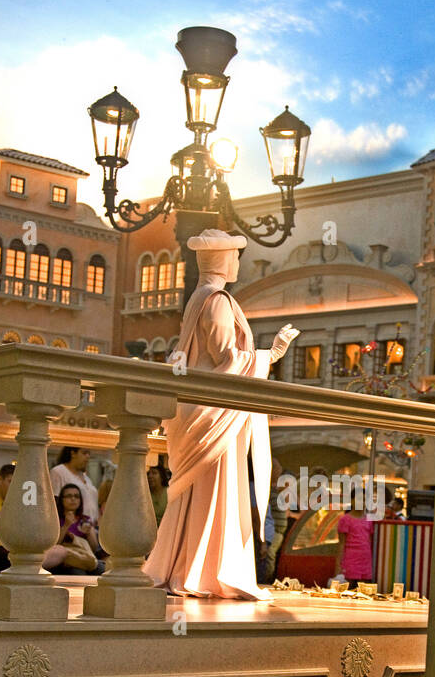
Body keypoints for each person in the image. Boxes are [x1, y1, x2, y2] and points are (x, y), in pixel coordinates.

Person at [143, 228, 298, 600]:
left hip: (201, 412)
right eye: (235, 255)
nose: (238, 262)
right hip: (211, 415)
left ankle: (192, 566)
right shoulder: (217, 301)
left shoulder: (199, 298)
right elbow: (226, 359)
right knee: (213, 492)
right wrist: (271, 354)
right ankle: (204, 572)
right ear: (224, 259)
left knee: (201, 494)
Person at [42, 485, 104, 575]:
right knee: (78, 573)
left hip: (83, 556)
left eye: (76, 496)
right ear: (62, 499)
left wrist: (89, 533)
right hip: (65, 560)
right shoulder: (55, 519)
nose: (73, 499)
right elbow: (53, 544)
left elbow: (93, 548)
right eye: (69, 496)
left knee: (103, 569)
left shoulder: (85, 519)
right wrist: (66, 525)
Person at [50, 446, 99, 523]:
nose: (87, 456)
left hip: (89, 526)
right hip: (71, 525)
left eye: (89, 453)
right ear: (73, 453)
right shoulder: (59, 472)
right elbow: (53, 501)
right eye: (84, 453)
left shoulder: (86, 478)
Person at [335, 498, 375, 589]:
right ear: (352, 500)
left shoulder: (369, 520)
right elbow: (341, 544)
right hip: (349, 561)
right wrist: (338, 567)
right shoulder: (345, 519)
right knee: (347, 590)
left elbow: (369, 541)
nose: (362, 502)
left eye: (365, 499)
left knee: (364, 592)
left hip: (365, 562)